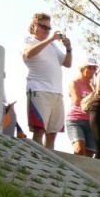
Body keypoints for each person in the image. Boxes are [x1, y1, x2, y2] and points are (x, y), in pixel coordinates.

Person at [22, 12, 72, 149]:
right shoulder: (30, 40)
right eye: (42, 26)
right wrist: (50, 39)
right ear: (34, 26)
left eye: (48, 28)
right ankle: (35, 158)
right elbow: (28, 54)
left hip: (56, 92)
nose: (46, 30)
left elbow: (67, 64)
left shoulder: (53, 46)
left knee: (52, 132)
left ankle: (49, 161)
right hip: (39, 89)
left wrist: (68, 49)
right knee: (39, 129)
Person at [65, 58, 98, 157]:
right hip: (76, 119)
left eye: (94, 69)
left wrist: (95, 89)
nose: (92, 71)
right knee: (79, 149)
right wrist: (93, 97)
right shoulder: (75, 83)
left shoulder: (94, 87)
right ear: (82, 68)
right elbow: (77, 100)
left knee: (89, 153)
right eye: (89, 68)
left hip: (91, 121)